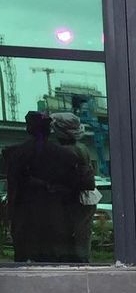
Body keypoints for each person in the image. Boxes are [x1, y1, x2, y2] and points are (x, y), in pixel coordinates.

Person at [2, 111, 94, 262]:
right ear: (49, 129)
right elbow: (85, 184)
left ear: (28, 129)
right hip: (57, 221)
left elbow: (13, 190)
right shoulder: (66, 155)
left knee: (24, 265)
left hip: (24, 221)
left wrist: (10, 216)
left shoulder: (15, 155)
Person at [50, 111, 98, 262]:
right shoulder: (82, 148)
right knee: (83, 237)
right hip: (87, 200)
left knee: (68, 240)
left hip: (72, 201)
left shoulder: (64, 152)